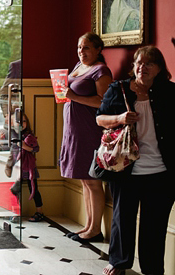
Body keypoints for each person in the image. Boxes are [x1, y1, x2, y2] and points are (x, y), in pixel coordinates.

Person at [97, 46, 175, 275]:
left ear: (159, 68)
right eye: (139, 63)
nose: (143, 67)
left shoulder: (169, 92)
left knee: (155, 225)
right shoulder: (118, 88)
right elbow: (99, 119)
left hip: (162, 171)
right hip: (126, 167)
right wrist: (120, 118)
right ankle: (119, 262)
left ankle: (152, 268)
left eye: (149, 63)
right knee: (123, 219)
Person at [59, 32, 112, 243]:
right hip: (74, 131)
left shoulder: (101, 70)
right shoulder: (77, 67)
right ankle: (88, 225)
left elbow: (103, 102)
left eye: (87, 47)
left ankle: (95, 229)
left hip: (90, 130)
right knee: (84, 180)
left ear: (98, 49)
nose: (82, 51)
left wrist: (73, 97)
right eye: (80, 47)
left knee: (93, 181)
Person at [9, 112, 45, 222]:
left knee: (33, 189)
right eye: (18, 121)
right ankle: (16, 211)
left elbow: (36, 149)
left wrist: (25, 146)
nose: (21, 124)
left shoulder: (29, 136)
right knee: (16, 190)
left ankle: (40, 211)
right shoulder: (12, 135)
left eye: (24, 121)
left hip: (29, 167)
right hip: (17, 167)